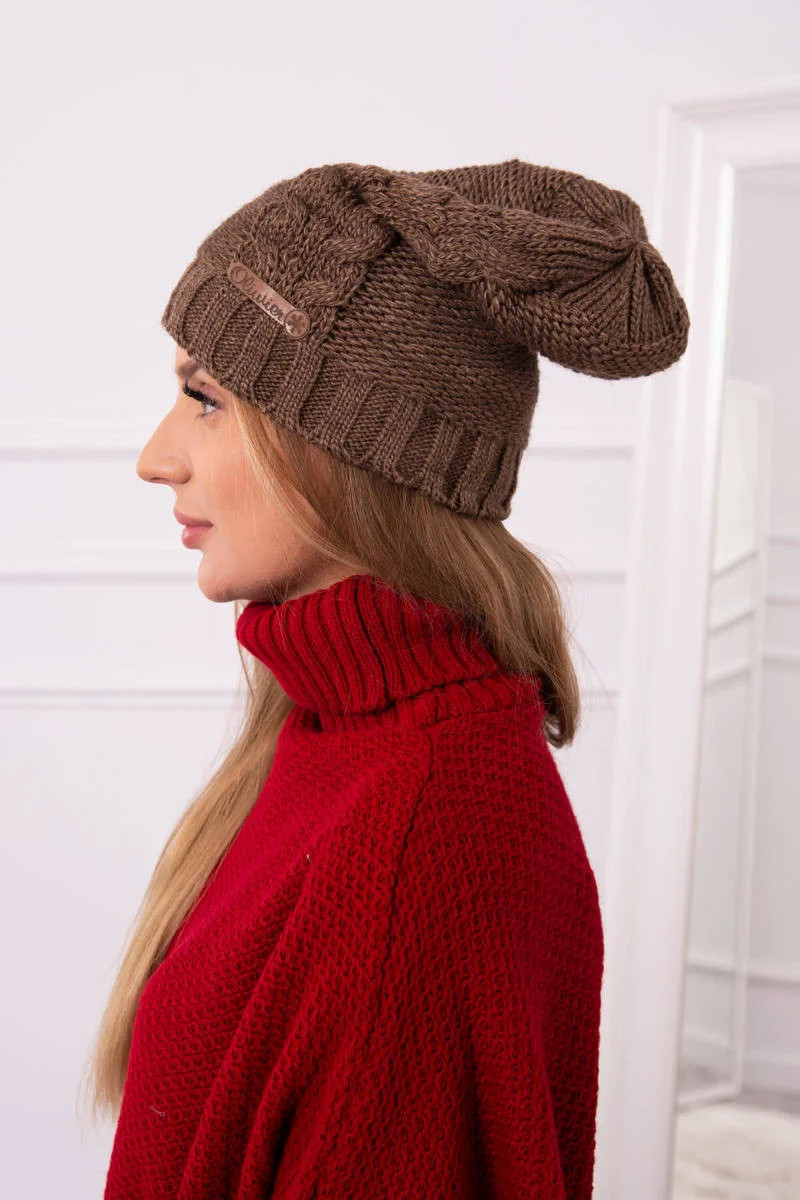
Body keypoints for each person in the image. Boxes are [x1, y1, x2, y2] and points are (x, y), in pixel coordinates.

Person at [81, 158, 690, 1198]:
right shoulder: (333, 732)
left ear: (346, 448)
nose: (156, 457)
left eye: (204, 399)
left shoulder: (426, 838)